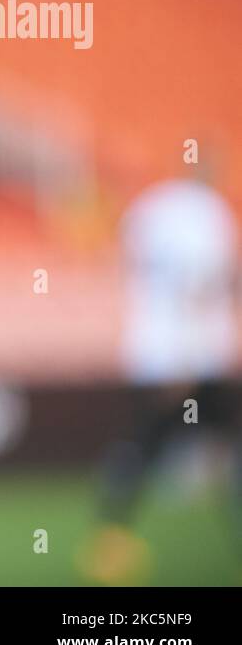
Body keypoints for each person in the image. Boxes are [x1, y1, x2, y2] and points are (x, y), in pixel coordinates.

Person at [80, 170, 241, 583]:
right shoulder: (206, 216)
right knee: (162, 448)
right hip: (192, 360)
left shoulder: (148, 210)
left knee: (147, 447)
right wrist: (186, 355)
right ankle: (109, 540)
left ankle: (108, 541)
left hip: (154, 355)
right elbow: (198, 289)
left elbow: (124, 267)